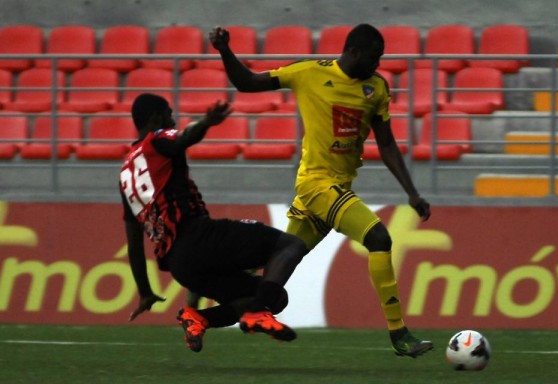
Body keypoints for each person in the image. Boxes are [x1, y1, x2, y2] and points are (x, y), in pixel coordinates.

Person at [208, 24, 433, 358]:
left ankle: (202, 310)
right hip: (316, 183)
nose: (378, 64)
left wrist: (412, 193)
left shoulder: (376, 87)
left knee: (277, 267)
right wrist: (225, 51)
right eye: (374, 57)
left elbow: (386, 142)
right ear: (354, 52)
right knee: (379, 239)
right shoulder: (309, 72)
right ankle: (399, 334)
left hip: (336, 188)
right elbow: (247, 82)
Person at [120, 93, 308, 353]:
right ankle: (255, 314)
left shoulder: (125, 174)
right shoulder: (158, 139)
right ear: (156, 117)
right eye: (169, 114)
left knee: (272, 297)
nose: (172, 120)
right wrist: (207, 122)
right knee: (290, 246)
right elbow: (184, 138)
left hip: (179, 264)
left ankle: (200, 318)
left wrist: (145, 291)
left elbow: (134, 244)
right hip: (198, 237)